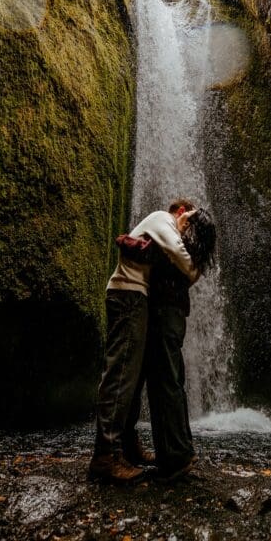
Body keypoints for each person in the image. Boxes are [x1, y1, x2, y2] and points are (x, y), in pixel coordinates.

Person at [89, 205, 199, 484]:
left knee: (133, 377)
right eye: (186, 224)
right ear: (181, 211)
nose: (186, 232)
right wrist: (195, 268)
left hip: (135, 297)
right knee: (121, 374)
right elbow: (182, 258)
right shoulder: (163, 219)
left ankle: (126, 446)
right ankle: (106, 456)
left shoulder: (157, 229)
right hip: (128, 296)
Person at [121, 201, 217, 483]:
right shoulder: (193, 257)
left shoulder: (178, 250)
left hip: (164, 317)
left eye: (187, 216)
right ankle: (176, 452)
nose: (181, 217)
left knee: (166, 383)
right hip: (173, 319)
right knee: (171, 381)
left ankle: (175, 459)